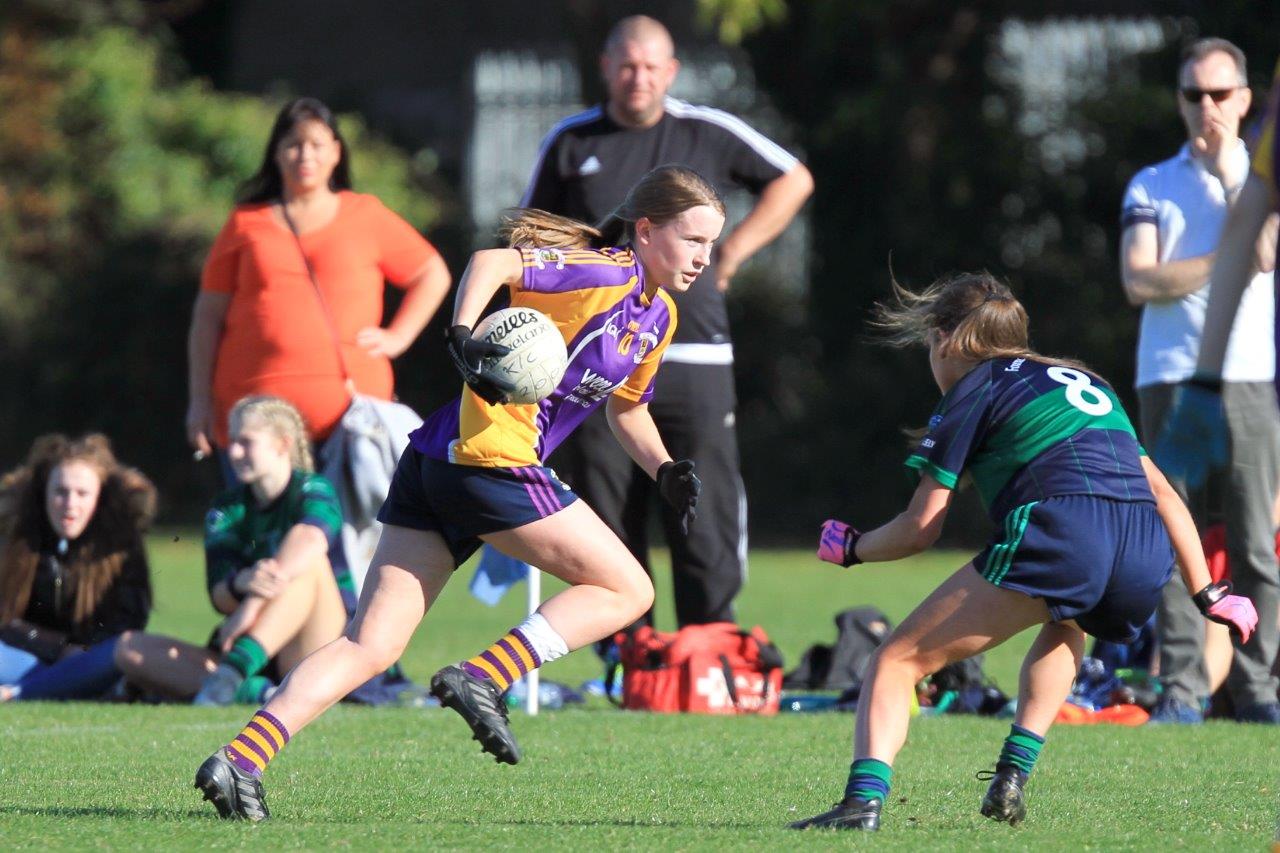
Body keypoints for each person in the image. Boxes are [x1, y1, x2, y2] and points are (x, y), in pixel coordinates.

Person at [191, 164, 722, 821]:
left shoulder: (659, 315)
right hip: (488, 458)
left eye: (711, 246)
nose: (704, 257)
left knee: (372, 644)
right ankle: (486, 674)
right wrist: (465, 331)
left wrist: (665, 467)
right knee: (630, 589)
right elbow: (491, 261)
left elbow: (626, 411)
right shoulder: (607, 271)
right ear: (646, 231)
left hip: (438, 462)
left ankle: (239, 758)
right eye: (693, 240)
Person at [789, 273, 1258, 832]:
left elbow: (921, 528)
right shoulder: (1087, 383)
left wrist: (853, 549)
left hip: (1067, 529)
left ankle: (860, 804)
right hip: (1141, 548)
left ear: (943, 338)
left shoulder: (978, 384)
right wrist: (1209, 593)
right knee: (1066, 620)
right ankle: (1013, 774)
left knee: (897, 661)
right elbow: (1164, 495)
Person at [522, 15, 813, 628]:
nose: (639, 78)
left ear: (671, 72)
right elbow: (533, 239)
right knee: (606, 502)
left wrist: (732, 254)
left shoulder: (705, 132)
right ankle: (628, 649)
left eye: (652, 66)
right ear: (606, 67)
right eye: (627, 65)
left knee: (702, 497)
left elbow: (794, 178)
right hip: (599, 355)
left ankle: (711, 641)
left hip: (694, 351)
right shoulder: (573, 142)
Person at [1124, 39, 1280, 724]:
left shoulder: (1262, 173)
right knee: (1170, 542)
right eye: (1195, 95)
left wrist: (1230, 176)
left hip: (1248, 378)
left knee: (1252, 543)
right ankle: (1183, 687)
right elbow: (1139, 279)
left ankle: (1257, 688)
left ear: (1246, 98)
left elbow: (1268, 254)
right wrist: (1227, 258)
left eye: (1220, 94)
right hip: (1167, 377)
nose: (1208, 108)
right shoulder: (1151, 183)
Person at [186, 97, 451, 476]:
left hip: (350, 422)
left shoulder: (365, 214)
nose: (304, 155)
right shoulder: (246, 223)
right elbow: (207, 317)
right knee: (263, 535)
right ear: (276, 153)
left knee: (346, 534)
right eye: (293, 144)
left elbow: (432, 273)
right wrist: (199, 401)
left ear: (336, 153)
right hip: (254, 425)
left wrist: (398, 336)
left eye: (316, 144)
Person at [116, 396, 348, 705]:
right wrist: (242, 581)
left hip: (315, 644)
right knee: (128, 648)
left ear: (281, 445)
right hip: (251, 642)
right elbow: (219, 596)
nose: (234, 452)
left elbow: (311, 538)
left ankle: (231, 674)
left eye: (246, 442)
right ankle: (258, 692)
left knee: (308, 563)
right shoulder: (227, 508)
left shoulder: (313, 489)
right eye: (232, 441)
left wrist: (254, 601)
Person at [0, 434, 154, 702]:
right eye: (60, 492)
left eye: (82, 493)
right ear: (44, 492)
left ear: (100, 497)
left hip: (93, 659)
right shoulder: (17, 539)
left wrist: (83, 650)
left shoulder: (120, 547)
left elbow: (128, 622)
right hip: (29, 657)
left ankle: (25, 692)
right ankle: (66, 686)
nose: (70, 504)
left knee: (123, 652)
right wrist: (58, 647)